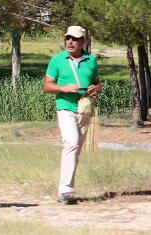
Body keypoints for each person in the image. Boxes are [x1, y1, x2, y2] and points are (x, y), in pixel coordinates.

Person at [43, 25, 101, 205]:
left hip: (84, 109)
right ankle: (65, 191)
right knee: (71, 143)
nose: (70, 41)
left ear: (84, 41)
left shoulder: (91, 60)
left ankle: (68, 190)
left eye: (75, 39)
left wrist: (95, 89)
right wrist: (63, 88)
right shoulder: (57, 60)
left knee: (76, 149)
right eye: (68, 38)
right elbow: (47, 86)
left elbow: (98, 84)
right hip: (65, 107)